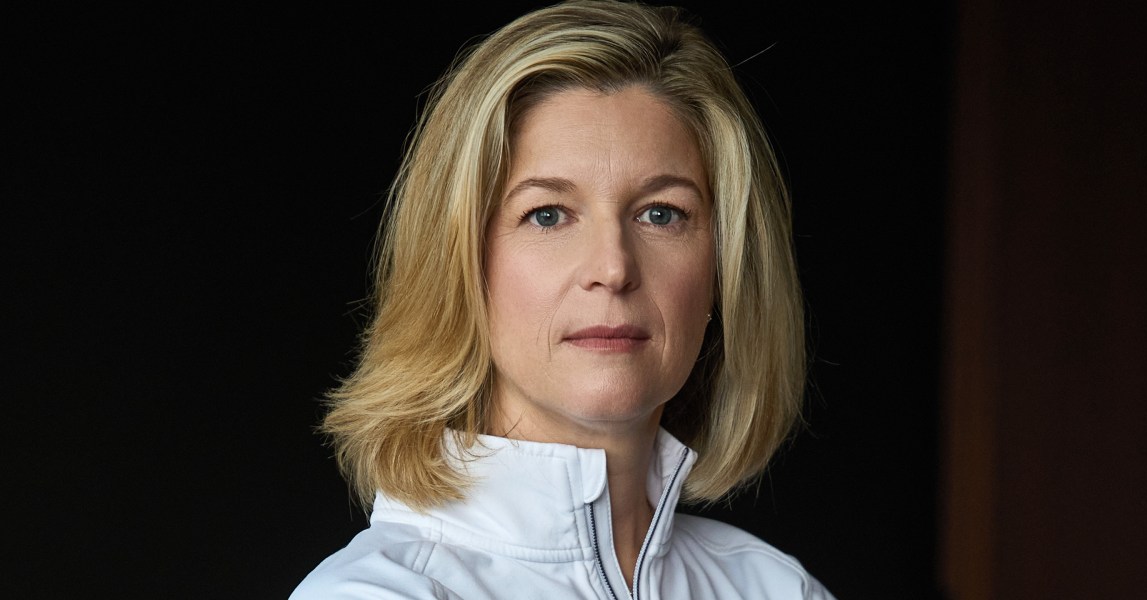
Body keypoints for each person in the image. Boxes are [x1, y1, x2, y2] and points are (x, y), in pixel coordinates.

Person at [292, 1, 834, 598]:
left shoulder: (775, 588)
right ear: (461, 265)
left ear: (724, 268)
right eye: (547, 215)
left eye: (661, 213)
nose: (613, 268)